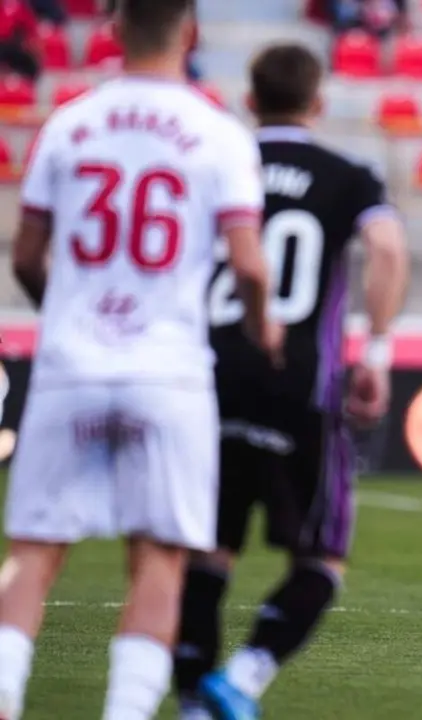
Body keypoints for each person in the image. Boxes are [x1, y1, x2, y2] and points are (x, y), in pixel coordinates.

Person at [0, 1, 277, 718]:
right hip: (169, 370)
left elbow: (27, 254)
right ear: (189, 34)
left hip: (70, 364)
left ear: (114, 31)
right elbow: (248, 265)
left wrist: (65, 310)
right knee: (158, 557)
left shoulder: (68, 123)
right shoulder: (219, 134)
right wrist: (261, 328)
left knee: (34, 554)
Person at [172, 43, 409, 719]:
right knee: (322, 557)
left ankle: (192, 703)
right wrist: (378, 352)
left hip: (207, 377)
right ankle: (244, 677)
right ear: (318, 103)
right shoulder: (346, 174)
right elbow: (387, 249)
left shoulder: (218, 165)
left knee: (208, 553)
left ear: (250, 100)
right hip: (301, 383)